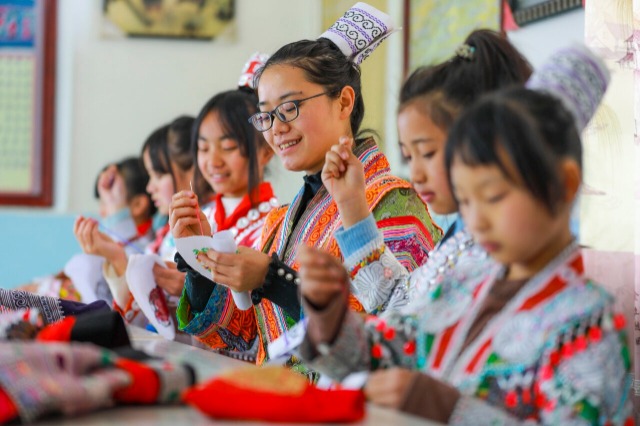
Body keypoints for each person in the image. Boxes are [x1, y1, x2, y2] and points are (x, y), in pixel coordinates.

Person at [295, 47, 632, 424]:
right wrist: (328, 314)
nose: (477, 221)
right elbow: (381, 353)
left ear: (563, 185)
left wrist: (449, 409)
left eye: (494, 197)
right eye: (466, 201)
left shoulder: (585, 320)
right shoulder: (463, 284)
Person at [170, 2, 441, 366]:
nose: (277, 128)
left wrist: (273, 279)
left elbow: (394, 337)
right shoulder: (281, 221)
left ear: (343, 102)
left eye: (290, 108)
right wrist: (200, 259)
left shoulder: (393, 203)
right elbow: (248, 339)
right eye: (266, 115)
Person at [319, 29, 532, 312]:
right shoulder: (461, 236)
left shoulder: (503, 253)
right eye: (409, 157)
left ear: (481, 141)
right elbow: (398, 303)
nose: (416, 175)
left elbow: (405, 321)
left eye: (428, 153)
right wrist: (350, 203)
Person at [171, 53, 278, 354]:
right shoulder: (198, 219)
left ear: (266, 150)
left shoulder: (276, 224)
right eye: (203, 148)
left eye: (228, 147)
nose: (213, 161)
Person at [75, 116, 195, 328]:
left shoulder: (201, 229)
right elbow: (145, 316)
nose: (150, 188)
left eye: (158, 175)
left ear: (192, 168)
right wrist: (116, 256)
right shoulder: (163, 237)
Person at [16, 156, 156, 305]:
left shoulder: (145, 251)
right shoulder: (113, 243)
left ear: (138, 205)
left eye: (106, 202)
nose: (101, 212)